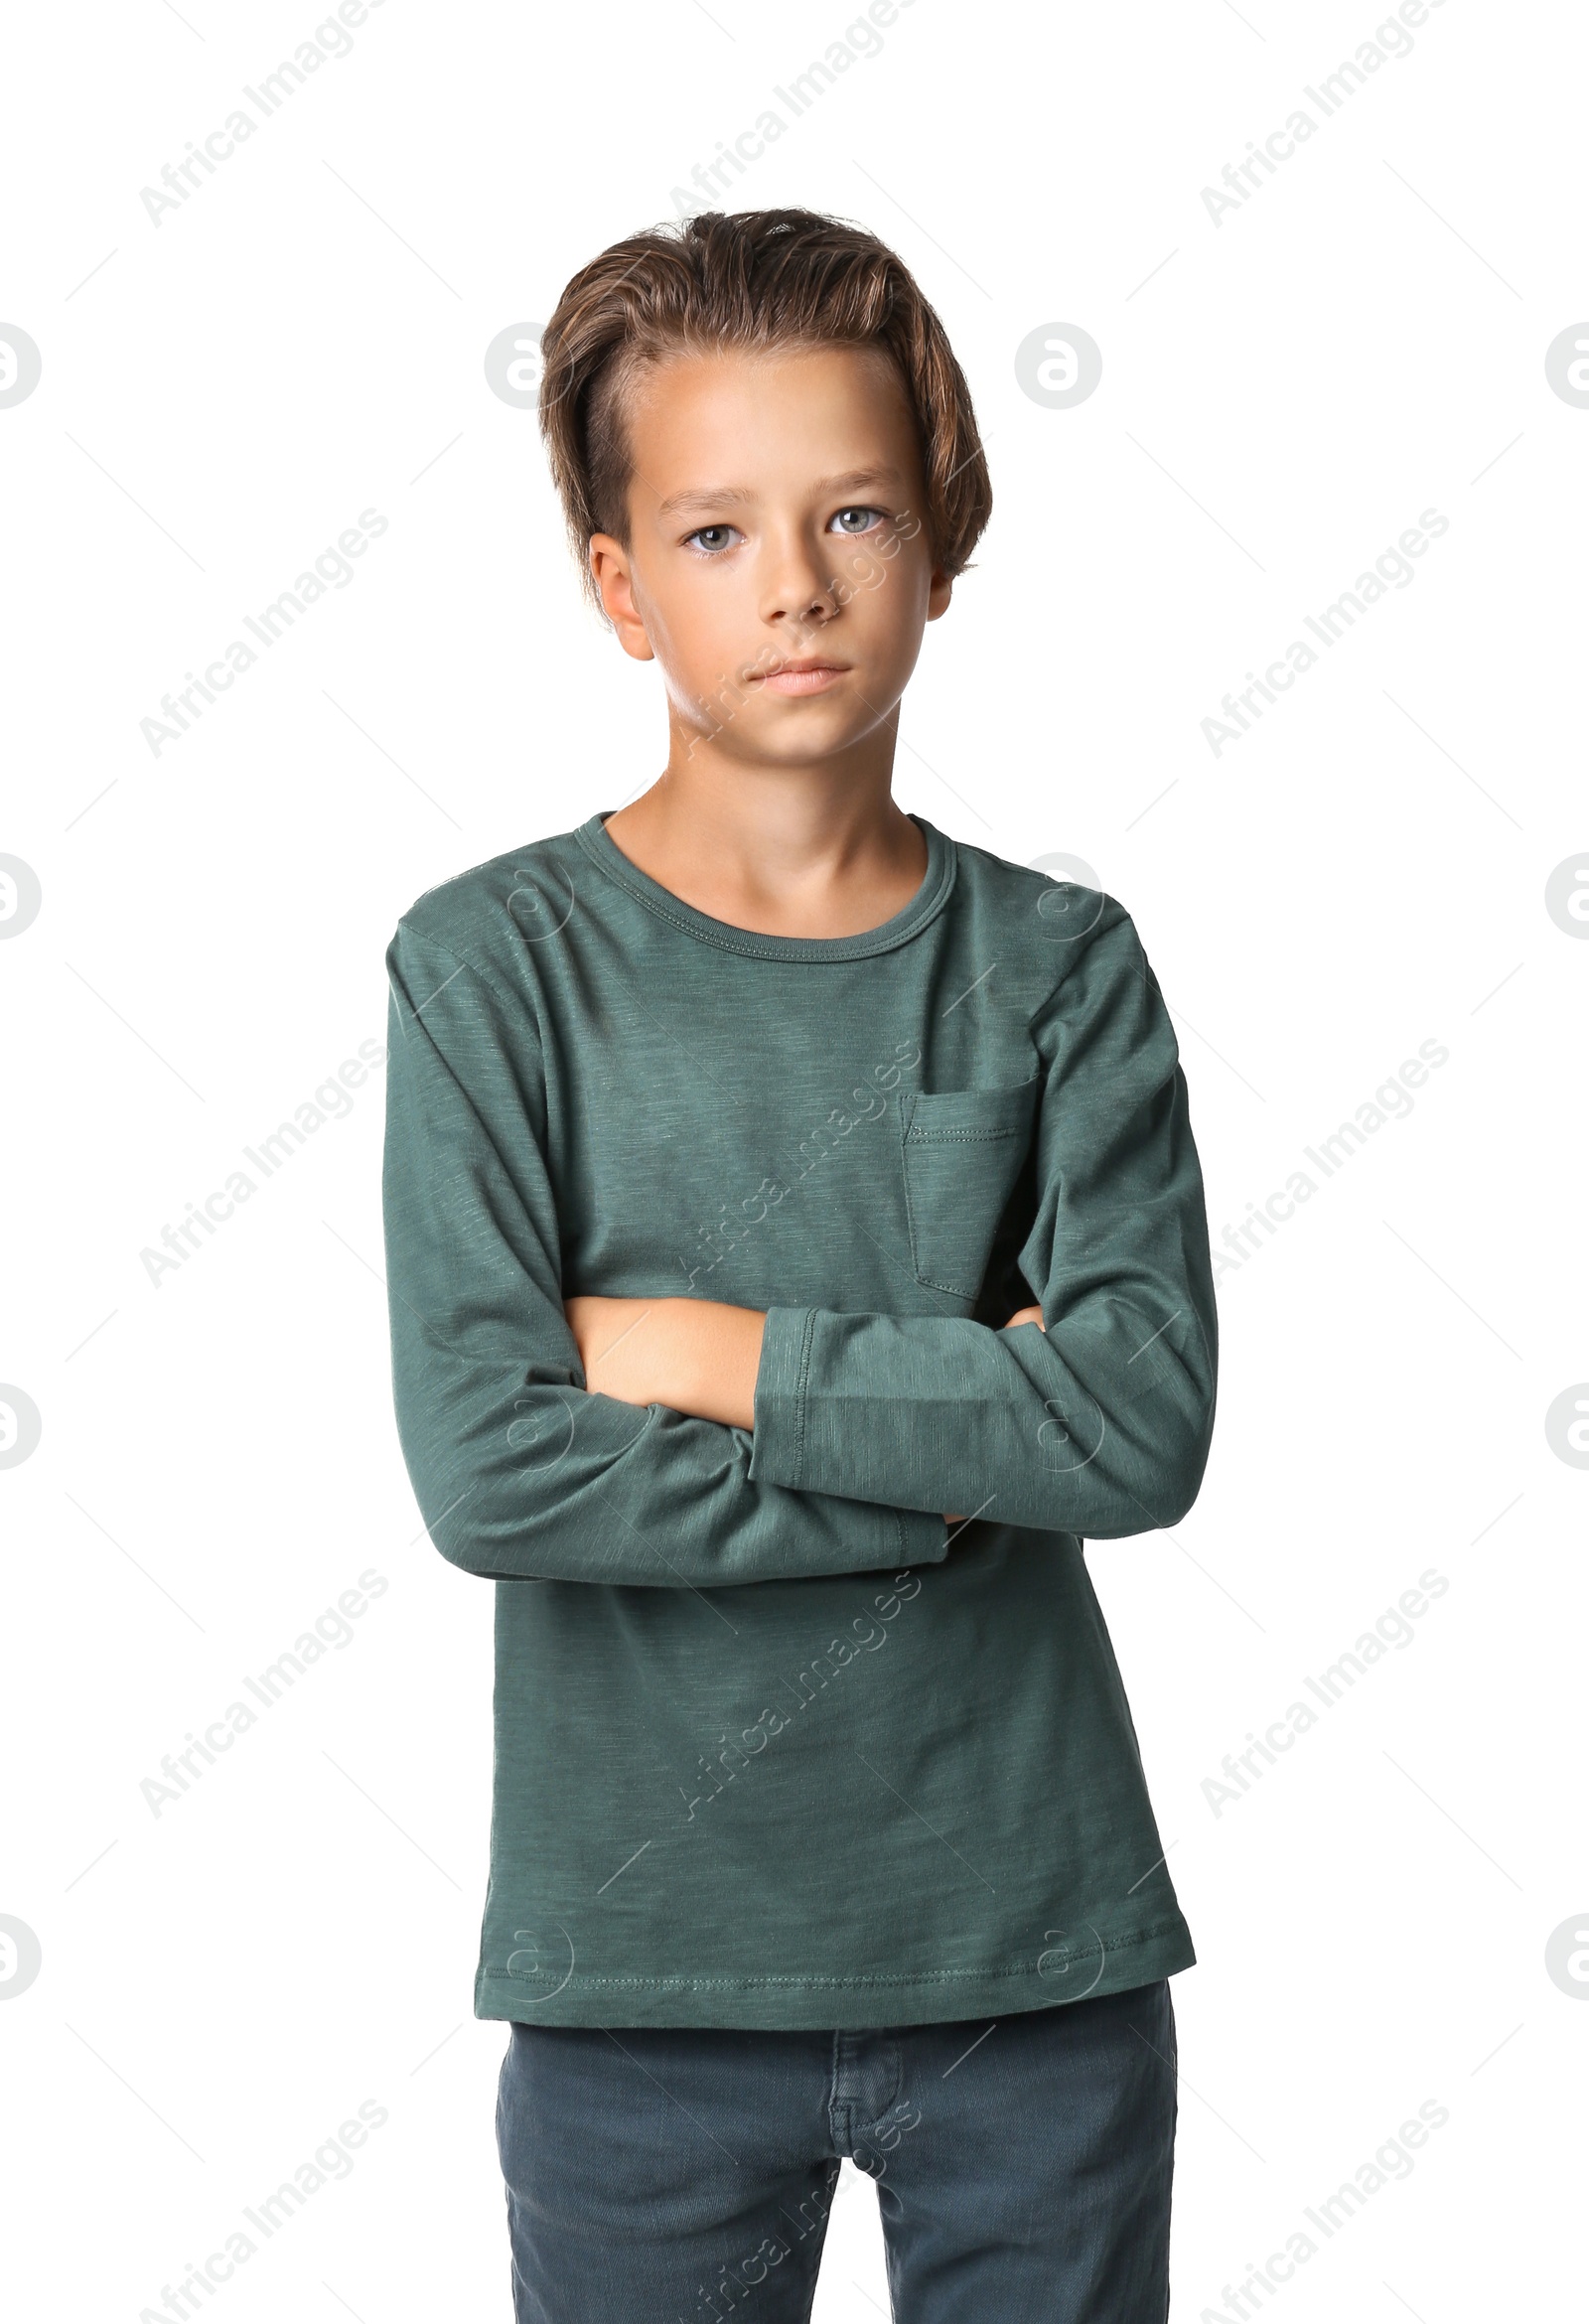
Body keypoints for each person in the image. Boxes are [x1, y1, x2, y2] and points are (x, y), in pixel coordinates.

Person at [380, 205, 1218, 2323]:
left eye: (852, 511)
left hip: (1027, 1951)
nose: (795, 585)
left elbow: (1129, 1424)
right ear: (618, 585)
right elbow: (494, 1470)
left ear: (938, 538)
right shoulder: (490, 971)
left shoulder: (1054, 972)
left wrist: (703, 1347)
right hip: (636, 1967)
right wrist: (955, 1443)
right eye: (715, 530)